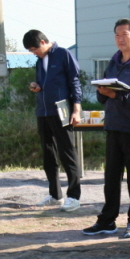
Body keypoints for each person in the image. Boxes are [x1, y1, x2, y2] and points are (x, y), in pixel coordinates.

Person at [83, 19, 130, 239]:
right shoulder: (113, 62)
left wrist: (115, 94)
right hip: (113, 125)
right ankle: (107, 221)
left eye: (125, 34)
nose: (120, 39)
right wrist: (103, 91)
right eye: (117, 35)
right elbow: (100, 95)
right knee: (111, 178)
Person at [24, 29, 82, 212]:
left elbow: (74, 81)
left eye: (34, 49)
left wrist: (76, 109)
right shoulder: (40, 61)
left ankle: (74, 196)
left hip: (62, 110)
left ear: (42, 42)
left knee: (67, 152)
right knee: (48, 154)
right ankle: (55, 194)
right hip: (44, 111)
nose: (34, 53)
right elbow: (43, 82)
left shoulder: (63, 54)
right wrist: (36, 86)